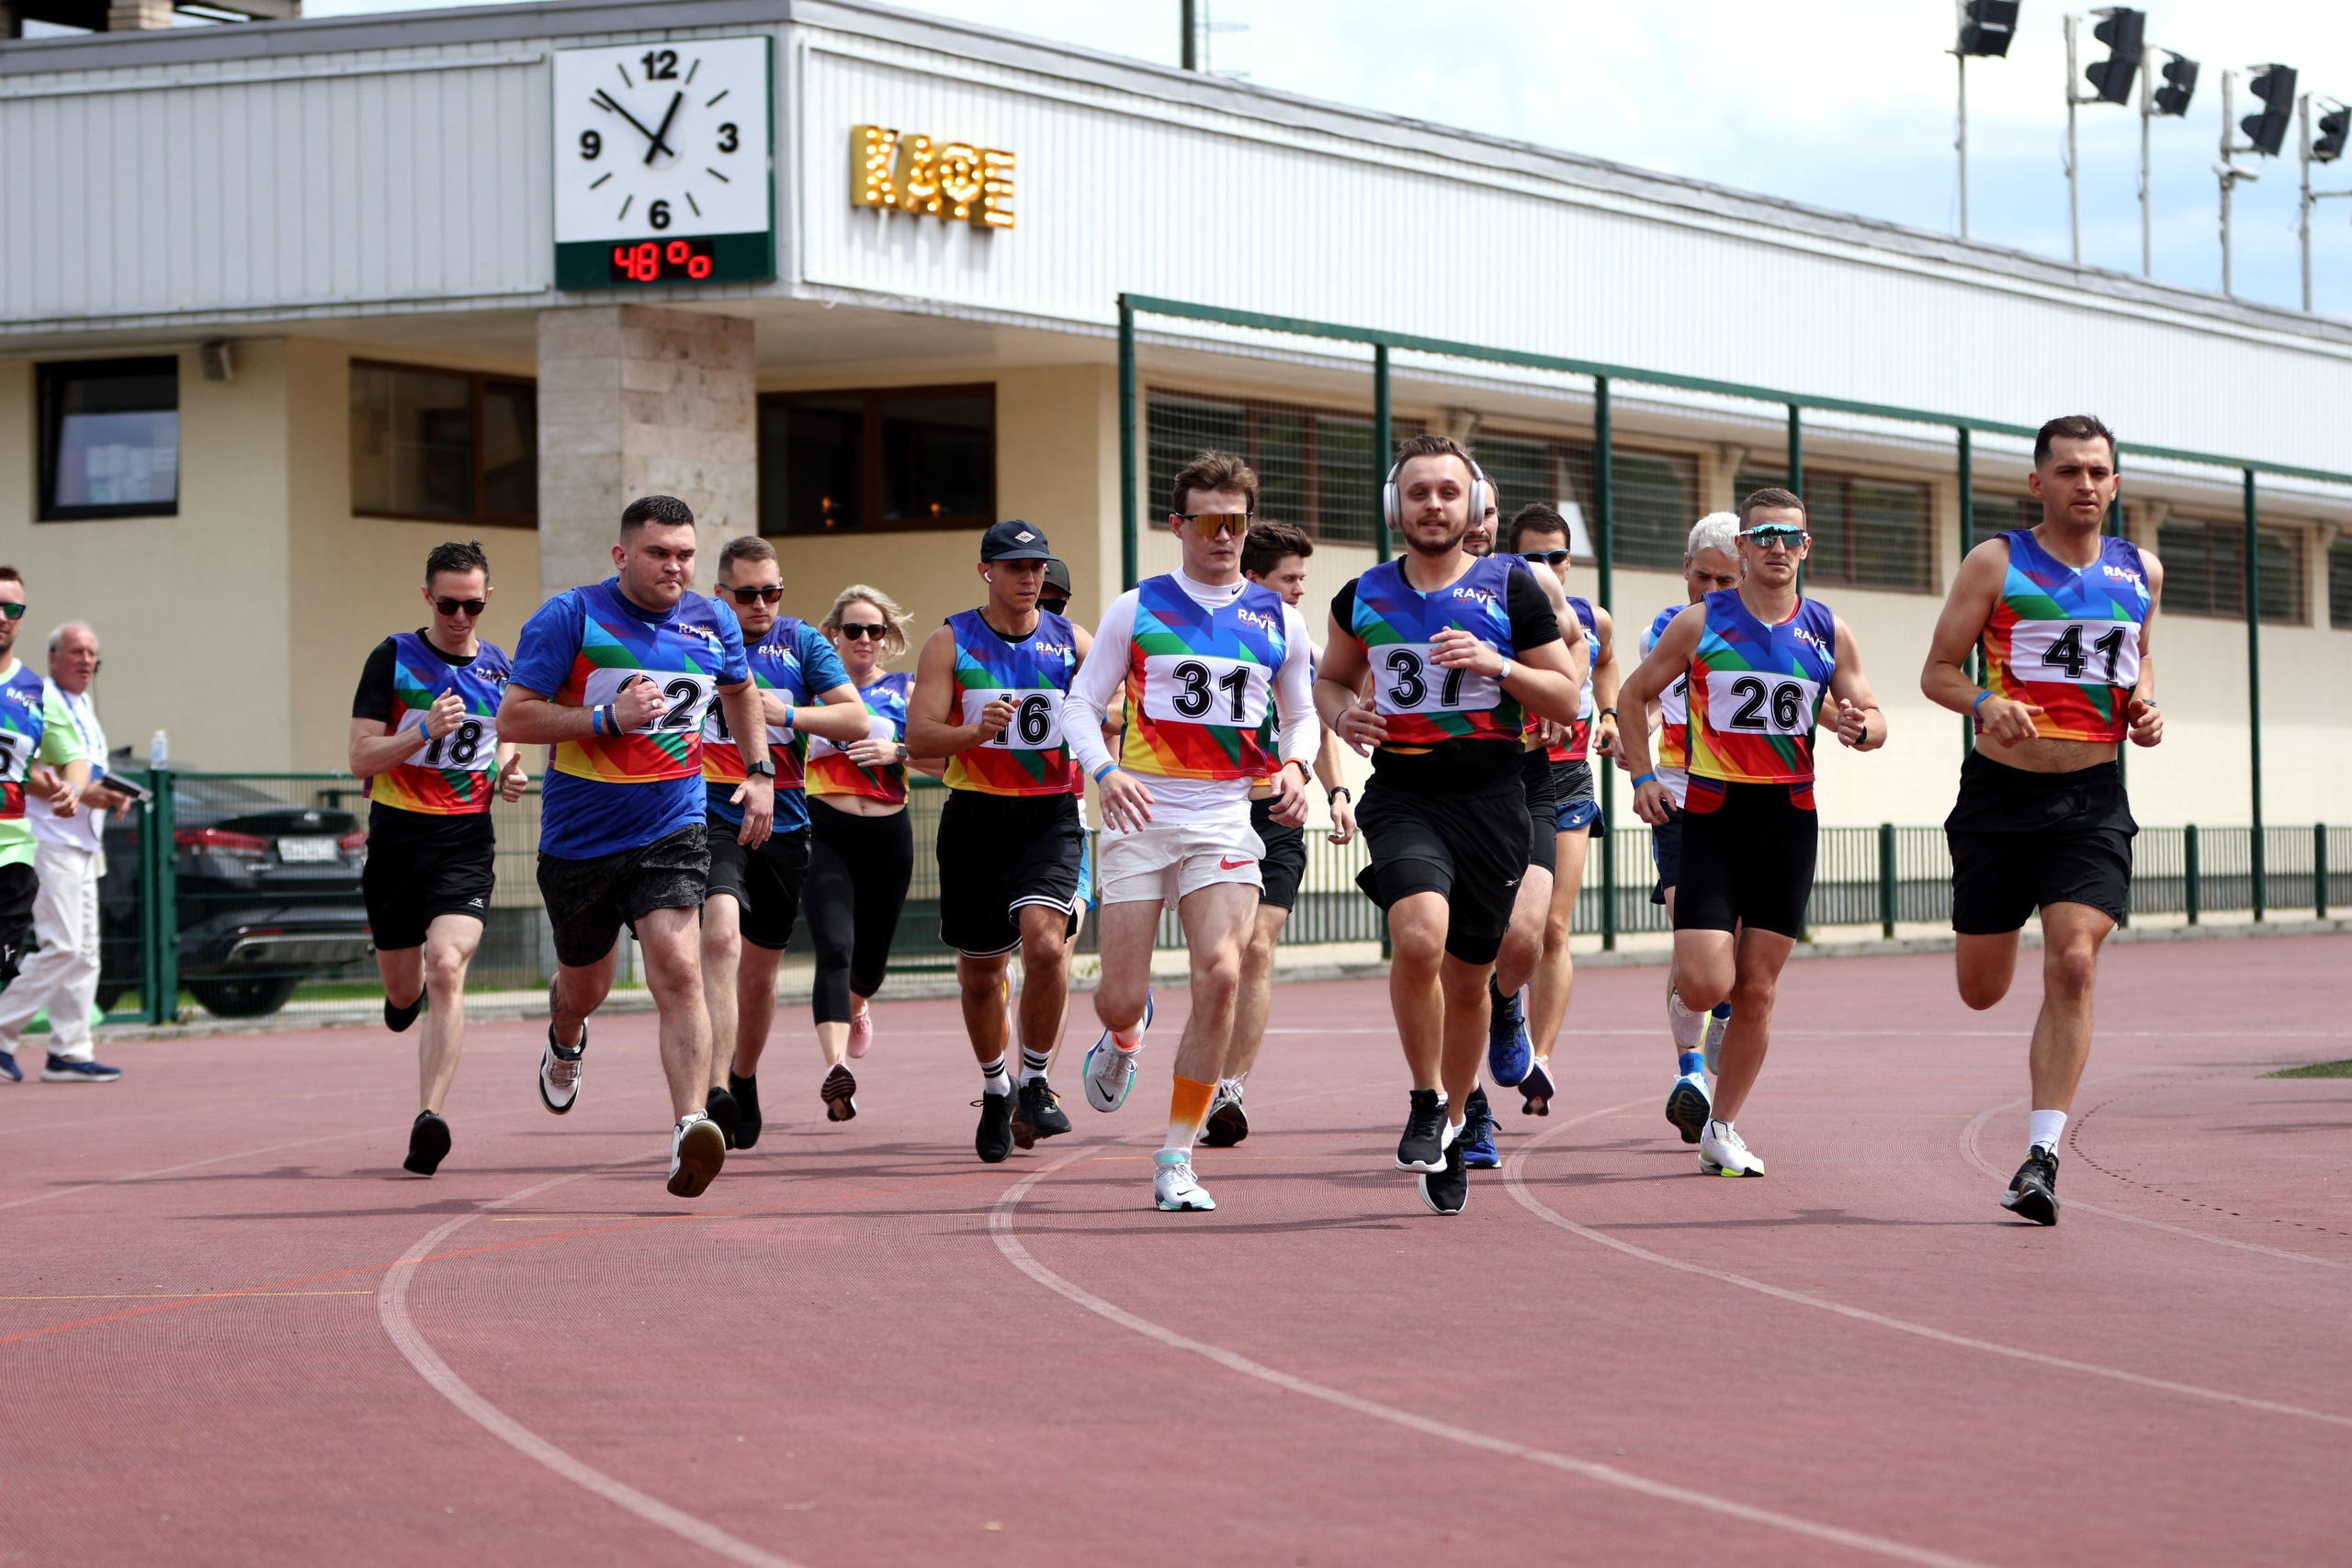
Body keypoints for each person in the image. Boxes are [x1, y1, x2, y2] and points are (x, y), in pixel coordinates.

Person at [1315, 435, 1582, 1215]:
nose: (1434, 504)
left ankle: (1460, 1121)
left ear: (1470, 505)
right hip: (1405, 792)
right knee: (1419, 937)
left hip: (1495, 797)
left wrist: (1497, 665)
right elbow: (1330, 678)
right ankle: (1426, 1097)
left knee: (1469, 980)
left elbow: (1567, 699)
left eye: (1448, 492)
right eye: (1420, 491)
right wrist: (1347, 715)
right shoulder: (1361, 592)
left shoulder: (1512, 587)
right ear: (1398, 504)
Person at [1920, 414, 2162, 1226]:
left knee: (2075, 964)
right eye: (2068, 471)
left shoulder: (2140, 571)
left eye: (2098, 471)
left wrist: (2145, 704)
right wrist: (1987, 700)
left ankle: (2041, 1156)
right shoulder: (1998, 561)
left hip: (2091, 801)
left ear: (2115, 483)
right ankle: (2001, 930)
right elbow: (1938, 671)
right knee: (1982, 990)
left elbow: (2139, 656)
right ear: (2038, 483)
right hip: (1998, 797)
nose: (2084, 485)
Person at [498, 496, 775, 1200]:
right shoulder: (572, 616)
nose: (674, 565)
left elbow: (741, 693)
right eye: (659, 552)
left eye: (684, 552)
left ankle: (689, 1125)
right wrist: (602, 716)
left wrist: (759, 769)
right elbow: (516, 714)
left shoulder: (712, 620)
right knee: (585, 987)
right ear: (623, 556)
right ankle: (566, 1036)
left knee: (679, 968)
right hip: (580, 839)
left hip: (672, 825)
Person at [1067, 454, 1320, 1213]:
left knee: (1220, 972)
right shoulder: (1137, 607)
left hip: (1222, 815)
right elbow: (1082, 702)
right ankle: (1122, 1037)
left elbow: (1302, 713)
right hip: (1141, 815)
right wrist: (1107, 772)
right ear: (1178, 525)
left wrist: (1300, 770)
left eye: (1235, 522)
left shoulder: (1280, 618)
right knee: (1121, 995)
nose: (1222, 535)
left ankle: (1176, 1153)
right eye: (1206, 521)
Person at [1614, 488, 1887, 1179]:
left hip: (1789, 822)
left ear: (1805, 546)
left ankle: (1723, 1126)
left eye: (1787, 536)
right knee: (1710, 984)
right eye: (1761, 534)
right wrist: (1644, 777)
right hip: (1712, 814)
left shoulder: (1828, 629)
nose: (1775, 546)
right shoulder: (1700, 622)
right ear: (1741, 546)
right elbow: (1633, 694)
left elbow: (1870, 711)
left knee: (1758, 990)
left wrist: (1862, 728)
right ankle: (1685, 1003)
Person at [905, 520, 1091, 1165]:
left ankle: (1035, 1082)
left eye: (1038, 566)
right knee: (983, 974)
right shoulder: (950, 641)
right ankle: (995, 1087)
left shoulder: (1073, 642)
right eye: (1016, 567)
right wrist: (972, 731)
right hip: (976, 818)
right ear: (986, 570)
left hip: (1049, 817)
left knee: (1046, 943)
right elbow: (919, 738)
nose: (1030, 577)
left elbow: (1119, 710)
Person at [345, 542, 528, 1174]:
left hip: (464, 842)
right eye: (448, 603)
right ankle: (403, 1001)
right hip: (397, 839)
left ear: (486, 600)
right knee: (406, 988)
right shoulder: (393, 656)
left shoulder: (501, 667)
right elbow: (360, 758)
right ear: (428, 596)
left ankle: (429, 1116)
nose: (459, 615)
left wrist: (511, 771)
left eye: (472, 605)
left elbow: (505, 742)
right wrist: (421, 730)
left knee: (446, 965)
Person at [695, 538, 865, 1145]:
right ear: (721, 595)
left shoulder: (800, 643)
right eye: (748, 595)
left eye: (772, 592)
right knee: (718, 936)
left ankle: (742, 1075)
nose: (762, 604)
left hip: (785, 823)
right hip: (711, 812)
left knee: (760, 976)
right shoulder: (696, 636)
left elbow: (854, 718)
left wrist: (787, 715)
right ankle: (714, 1089)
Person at [1202, 520, 1357, 1149]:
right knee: (1222, 957)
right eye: (1290, 579)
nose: (1299, 589)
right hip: (1211, 809)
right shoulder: (1207, 636)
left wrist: (1338, 791)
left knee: (1259, 948)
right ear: (1255, 578)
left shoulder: (1302, 644)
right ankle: (1137, 1028)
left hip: (1279, 809)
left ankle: (1229, 1089)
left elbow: (1314, 725)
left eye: (1302, 578)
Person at [1453, 492, 1588, 1163]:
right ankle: (1467, 1111)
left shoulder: (1523, 578)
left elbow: (1575, 643)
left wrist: (1561, 697)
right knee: (1448, 959)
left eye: (1485, 509)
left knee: (1527, 932)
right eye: (1464, 508)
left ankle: (1508, 1002)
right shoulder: (1408, 588)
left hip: (1526, 773)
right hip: (1439, 786)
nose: (1475, 522)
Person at [801, 583, 937, 1124]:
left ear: (887, 639)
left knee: (871, 963)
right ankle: (835, 1072)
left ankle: (859, 1004)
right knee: (834, 947)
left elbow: (946, 761)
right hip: (824, 828)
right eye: (852, 629)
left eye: (874, 630)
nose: (863, 639)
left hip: (887, 834)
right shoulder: (810, 692)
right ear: (833, 635)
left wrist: (897, 750)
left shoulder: (905, 691)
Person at [1637, 514, 1745, 1145]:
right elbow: (1650, 695)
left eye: (1723, 578)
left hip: (1753, 804)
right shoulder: (1669, 628)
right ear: (1685, 570)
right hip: (1680, 800)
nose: (1709, 588)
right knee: (1691, 941)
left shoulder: (1775, 631)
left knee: (1730, 955)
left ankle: (1723, 1040)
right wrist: (1638, 739)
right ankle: (1691, 1073)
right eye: (1700, 575)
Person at [0, 618, 124, 1084]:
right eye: (76, 652)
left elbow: (84, 765)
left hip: (86, 842)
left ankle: (69, 1051)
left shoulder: (84, 703)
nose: (87, 661)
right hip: (50, 839)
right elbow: (22, 765)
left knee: (87, 952)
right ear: (53, 658)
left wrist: (107, 790)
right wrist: (82, 792)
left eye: (92, 653)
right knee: (64, 946)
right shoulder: (38, 696)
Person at [0, 569, 93, 1088]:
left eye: (12, 609)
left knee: (19, 960)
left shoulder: (35, 692)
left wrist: (72, 789)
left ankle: (50, 1045)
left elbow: (71, 758)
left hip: (13, 849)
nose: (2, 617)